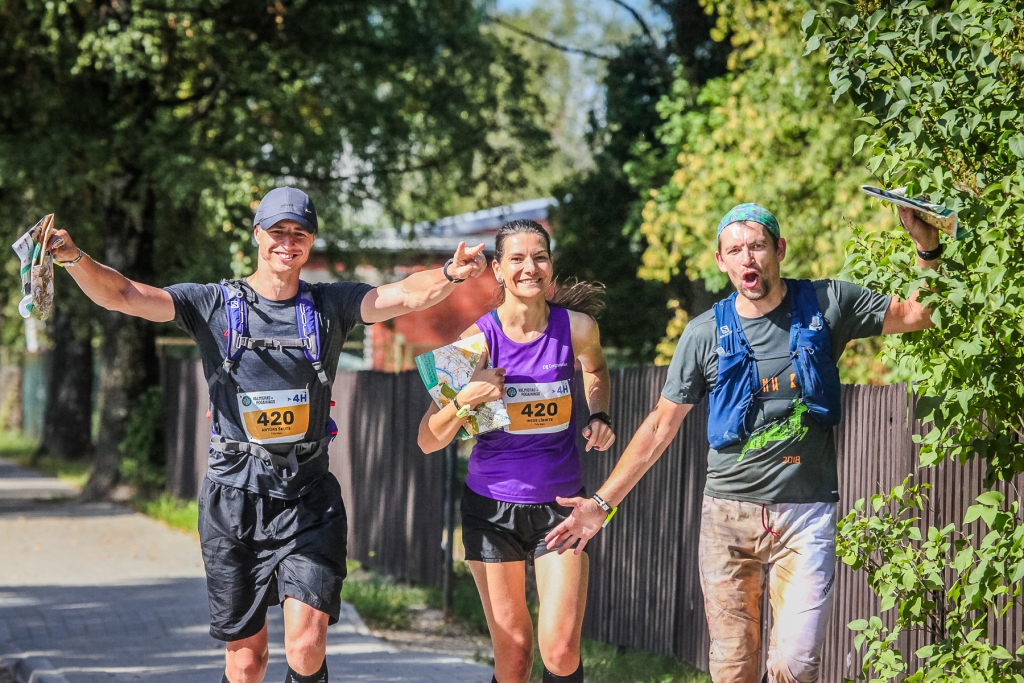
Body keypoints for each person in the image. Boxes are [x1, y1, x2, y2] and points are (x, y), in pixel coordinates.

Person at [46, 186, 488, 683]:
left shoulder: (330, 305)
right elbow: (125, 294)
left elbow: (404, 293)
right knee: (246, 659)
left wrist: (451, 274)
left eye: (299, 233)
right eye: (277, 231)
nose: (288, 241)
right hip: (233, 498)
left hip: (308, 496)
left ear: (311, 241)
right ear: (257, 234)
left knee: (306, 644)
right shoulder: (213, 305)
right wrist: (74, 258)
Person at [544, 203, 941, 683]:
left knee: (795, 666)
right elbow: (658, 427)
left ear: (779, 250)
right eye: (735, 250)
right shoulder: (704, 333)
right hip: (727, 520)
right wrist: (602, 503)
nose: (747, 258)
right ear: (720, 261)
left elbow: (917, 313)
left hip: (806, 514)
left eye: (756, 246)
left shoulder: (828, 303)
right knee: (733, 671)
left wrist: (928, 246)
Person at [417, 219, 616, 683]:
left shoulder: (578, 328)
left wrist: (599, 414)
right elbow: (429, 438)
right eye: (518, 259)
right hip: (491, 508)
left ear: (551, 267)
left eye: (540, 257)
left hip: (561, 506)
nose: (531, 267)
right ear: (499, 272)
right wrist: (466, 398)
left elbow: (597, 370)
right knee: (515, 657)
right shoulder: (475, 342)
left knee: (561, 651)